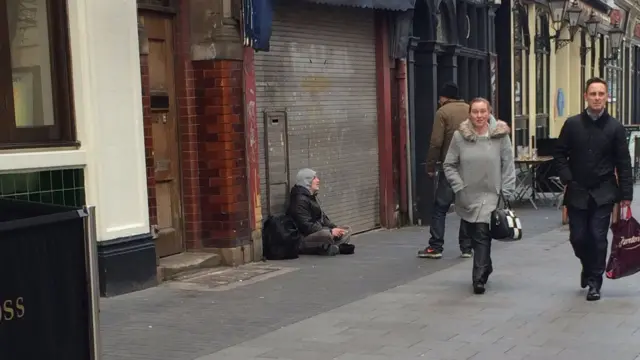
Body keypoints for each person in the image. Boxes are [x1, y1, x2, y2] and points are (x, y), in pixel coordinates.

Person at [554, 77, 633, 301]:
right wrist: (566, 177)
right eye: (593, 94)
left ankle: (594, 281)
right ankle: (587, 266)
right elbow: (559, 153)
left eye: (601, 94)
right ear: (585, 97)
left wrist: (626, 195)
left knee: (598, 237)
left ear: (606, 97)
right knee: (578, 237)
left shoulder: (615, 127)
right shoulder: (572, 124)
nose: (597, 98)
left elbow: (623, 162)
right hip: (577, 189)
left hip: (604, 191)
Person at [443, 98, 515, 294]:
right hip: (468, 194)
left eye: (483, 111)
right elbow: (449, 165)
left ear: (489, 112)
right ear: (470, 114)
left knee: (482, 232)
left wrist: (507, 191)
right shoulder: (460, 137)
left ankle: (479, 278)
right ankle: (486, 265)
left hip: (492, 194)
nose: (479, 116)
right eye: (475, 112)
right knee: (474, 233)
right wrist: (459, 186)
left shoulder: (500, 136)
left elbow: (508, 164)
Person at [418, 82, 472, 259]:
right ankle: (466, 247)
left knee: (440, 207)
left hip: (451, 167)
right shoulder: (471, 110)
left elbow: (436, 142)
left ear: (444, 97)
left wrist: (430, 165)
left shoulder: (442, 112)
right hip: (471, 166)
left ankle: (436, 246)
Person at [287, 168, 353, 256]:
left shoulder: (310, 196)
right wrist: (330, 231)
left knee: (346, 229)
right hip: (303, 238)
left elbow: (322, 218)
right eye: (314, 178)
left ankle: (328, 247)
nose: (318, 180)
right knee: (326, 235)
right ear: (306, 181)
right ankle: (333, 248)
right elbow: (306, 226)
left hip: (317, 232)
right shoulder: (299, 200)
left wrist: (334, 228)